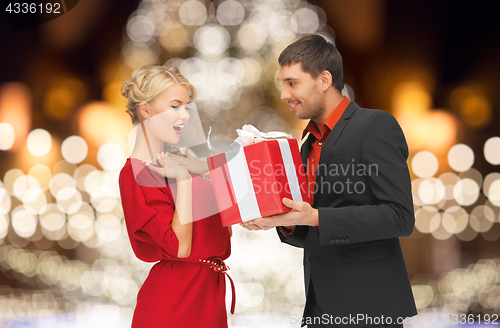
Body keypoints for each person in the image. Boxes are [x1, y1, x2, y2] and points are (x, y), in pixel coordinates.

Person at [241, 35, 417, 327]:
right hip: (319, 306)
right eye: (282, 83)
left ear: (324, 79)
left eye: (292, 83)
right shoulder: (307, 144)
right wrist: (283, 222)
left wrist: (316, 216)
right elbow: (314, 229)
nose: (284, 94)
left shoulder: (375, 125)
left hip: (370, 308)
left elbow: (400, 217)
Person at [118, 65, 233, 328]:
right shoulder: (134, 173)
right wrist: (183, 180)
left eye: (186, 107)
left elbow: (227, 226)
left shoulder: (187, 162)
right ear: (146, 110)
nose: (185, 116)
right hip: (175, 300)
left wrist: (204, 170)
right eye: (175, 106)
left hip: (210, 292)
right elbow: (179, 247)